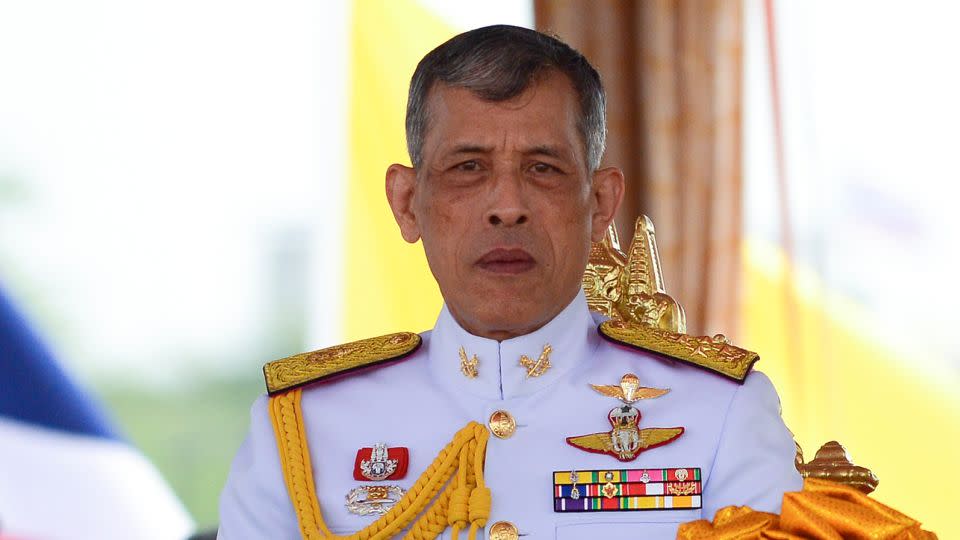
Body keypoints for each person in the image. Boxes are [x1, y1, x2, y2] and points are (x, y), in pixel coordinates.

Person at [218, 25, 801, 539]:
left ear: (600, 205)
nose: (506, 206)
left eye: (543, 169)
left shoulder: (722, 411)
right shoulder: (303, 426)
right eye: (467, 168)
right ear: (407, 203)